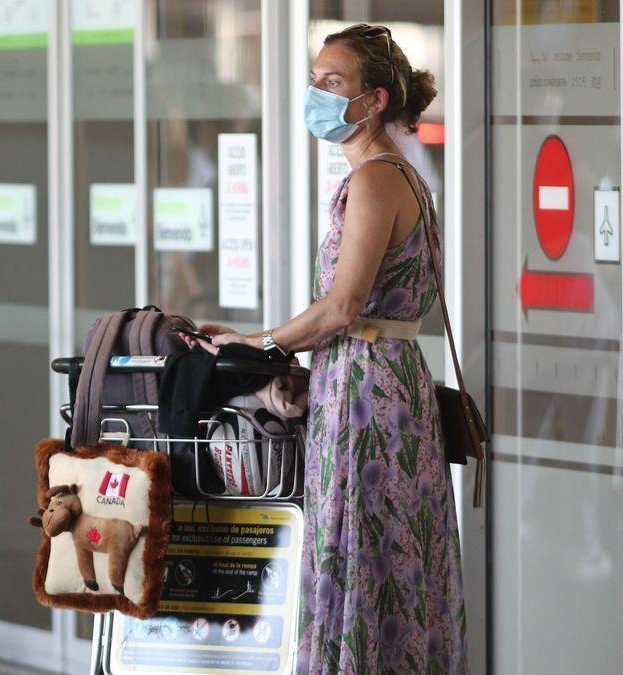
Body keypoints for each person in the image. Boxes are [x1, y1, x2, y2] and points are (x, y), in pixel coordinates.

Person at [188, 24, 466, 673]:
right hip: (381, 380)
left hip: (369, 395)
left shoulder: (376, 180)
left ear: (371, 100)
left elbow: (343, 306)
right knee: (390, 557)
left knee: (363, 552)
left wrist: (260, 344)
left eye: (331, 83)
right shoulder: (398, 175)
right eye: (314, 80)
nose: (316, 94)